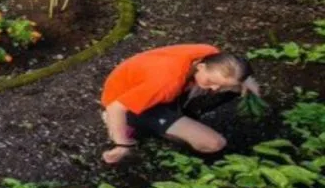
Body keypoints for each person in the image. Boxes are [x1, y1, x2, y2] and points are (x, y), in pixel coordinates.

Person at [100, 44, 260, 165]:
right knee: (214, 144)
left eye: (220, 84)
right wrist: (121, 145)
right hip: (129, 104)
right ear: (200, 66)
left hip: (145, 87)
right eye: (211, 82)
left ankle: (177, 117)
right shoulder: (166, 83)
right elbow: (115, 107)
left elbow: (232, 74)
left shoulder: (211, 54)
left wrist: (244, 81)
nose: (214, 88)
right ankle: (129, 124)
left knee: (236, 88)